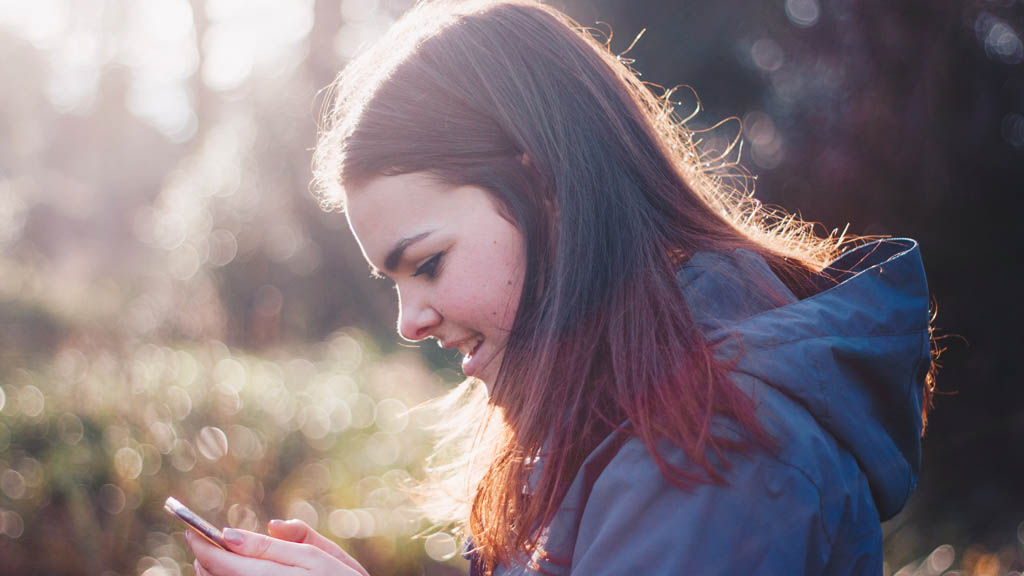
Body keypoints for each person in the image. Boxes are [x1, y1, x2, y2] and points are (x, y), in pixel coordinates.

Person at [185, 0, 937, 574]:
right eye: (394, 281)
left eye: (429, 263)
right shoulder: (624, 412)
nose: (409, 322)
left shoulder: (714, 450)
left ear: (545, 188)